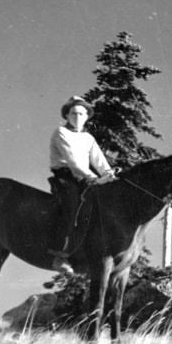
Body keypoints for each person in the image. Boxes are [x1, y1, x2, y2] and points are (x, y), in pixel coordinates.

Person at [48, 96, 116, 274]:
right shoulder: (61, 132)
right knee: (71, 205)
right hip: (65, 176)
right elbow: (73, 163)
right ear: (67, 115)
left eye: (81, 114)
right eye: (73, 113)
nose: (77, 117)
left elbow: (99, 160)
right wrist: (94, 178)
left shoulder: (88, 138)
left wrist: (109, 175)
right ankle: (60, 256)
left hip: (84, 178)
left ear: (87, 117)